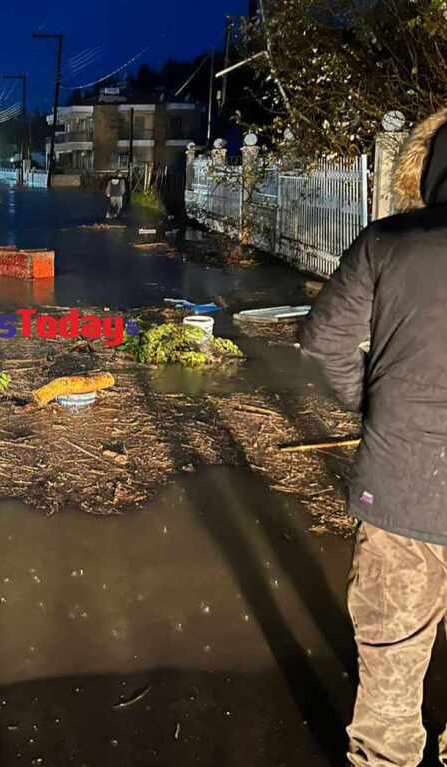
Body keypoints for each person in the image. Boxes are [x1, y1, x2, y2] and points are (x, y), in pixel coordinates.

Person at [301, 107, 447, 766]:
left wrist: (375, 406)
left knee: (388, 698)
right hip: (403, 493)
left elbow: (325, 341)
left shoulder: (389, 244)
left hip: (401, 496)